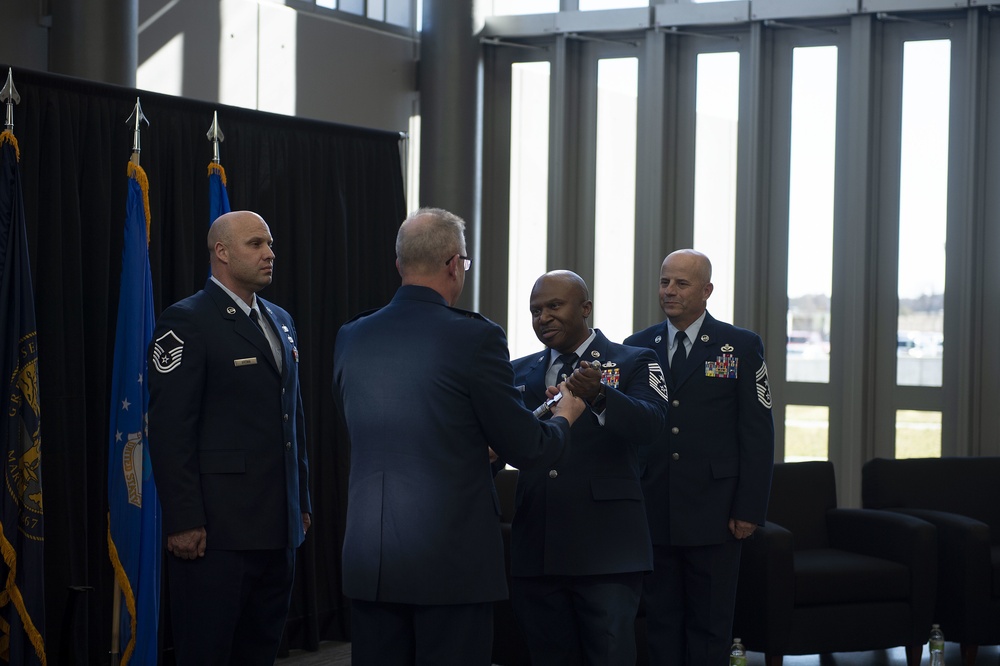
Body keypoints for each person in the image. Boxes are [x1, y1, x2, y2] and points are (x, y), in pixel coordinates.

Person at [332, 208, 587, 666]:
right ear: (455, 264)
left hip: (370, 561)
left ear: (399, 265)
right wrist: (565, 414)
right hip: (449, 564)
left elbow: (372, 429)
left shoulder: (352, 336)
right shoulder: (475, 338)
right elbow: (528, 448)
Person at [147, 210, 312, 666]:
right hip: (215, 533)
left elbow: (291, 418)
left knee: (259, 653)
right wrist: (183, 519)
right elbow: (170, 428)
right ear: (221, 252)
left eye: (270, 244)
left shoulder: (280, 319)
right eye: (256, 244)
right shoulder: (187, 320)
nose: (270, 254)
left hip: (277, 528)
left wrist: (301, 500)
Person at [506, 270, 670, 665]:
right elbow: (509, 446)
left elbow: (651, 425)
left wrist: (599, 396)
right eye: (535, 310)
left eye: (554, 306)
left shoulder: (635, 360)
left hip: (607, 550)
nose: (542, 317)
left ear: (585, 308)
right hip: (538, 545)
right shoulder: (517, 370)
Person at [624, 249, 774, 665]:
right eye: (664, 282)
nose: (669, 291)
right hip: (654, 507)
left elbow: (758, 433)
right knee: (661, 623)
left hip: (715, 511)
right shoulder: (638, 346)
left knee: (709, 626)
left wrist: (749, 509)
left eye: (681, 283)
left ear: (707, 291)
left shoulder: (739, 345)